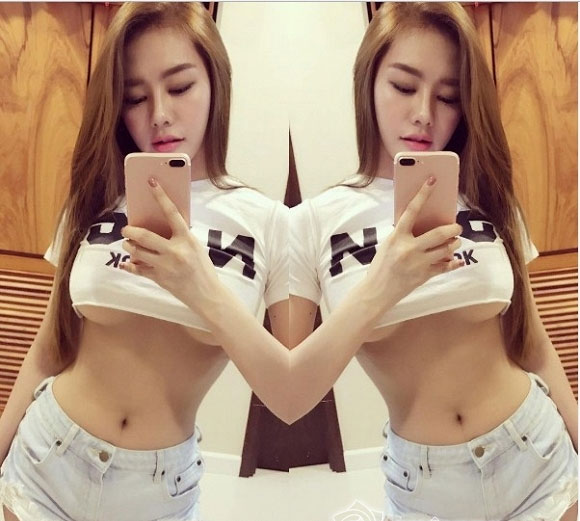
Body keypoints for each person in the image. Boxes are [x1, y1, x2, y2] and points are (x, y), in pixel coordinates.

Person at [289, 2, 578, 520]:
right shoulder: (317, 221)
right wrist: (384, 283)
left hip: (536, 457)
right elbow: (293, 394)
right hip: (426, 488)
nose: (424, 112)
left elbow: (532, 344)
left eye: (448, 96)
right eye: (404, 86)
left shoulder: (488, 199)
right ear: (369, 84)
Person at [0, 3, 289, 520]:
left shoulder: (265, 221)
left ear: (215, 84)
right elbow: (48, 348)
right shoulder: (96, 198)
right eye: (135, 97)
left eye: (179, 87)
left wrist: (199, 285)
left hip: (157, 492)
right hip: (45, 461)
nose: (158, 114)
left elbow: (288, 393)